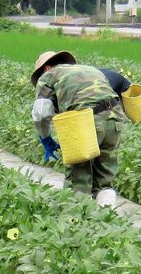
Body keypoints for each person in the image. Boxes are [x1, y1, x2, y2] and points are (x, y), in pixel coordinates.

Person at [30, 51, 126, 207]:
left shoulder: (48, 76)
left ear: (46, 67)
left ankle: (76, 223)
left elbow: (41, 112)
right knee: (104, 181)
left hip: (85, 122)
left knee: (78, 179)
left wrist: (45, 138)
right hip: (115, 119)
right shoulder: (88, 69)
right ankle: (106, 222)